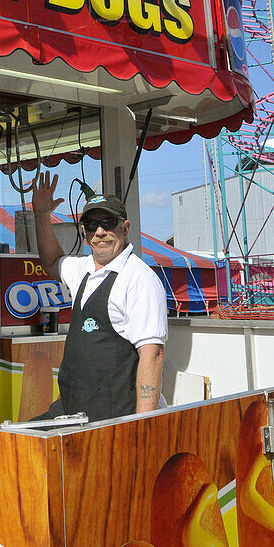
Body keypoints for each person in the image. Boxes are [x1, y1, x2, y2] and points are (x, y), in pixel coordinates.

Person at [32, 172, 167, 423]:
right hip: (73, 411)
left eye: (109, 222)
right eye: (93, 225)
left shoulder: (139, 279)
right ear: (84, 232)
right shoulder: (82, 269)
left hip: (114, 418)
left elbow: (153, 354)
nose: (101, 231)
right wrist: (41, 215)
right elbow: (51, 261)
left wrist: (143, 427)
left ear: (124, 228)